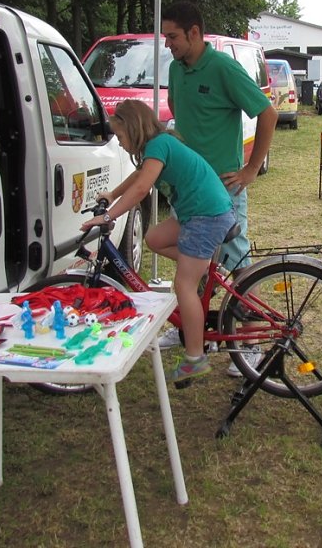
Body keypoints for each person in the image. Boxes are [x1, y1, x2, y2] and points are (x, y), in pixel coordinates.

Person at [158, 1, 278, 377]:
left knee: (237, 262)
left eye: (173, 36)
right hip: (187, 187)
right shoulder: (177, 69)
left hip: (223, 188)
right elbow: (177, 107)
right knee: (192, 258)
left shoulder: (224, 67)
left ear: (194, 32)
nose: (168, 45)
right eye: (165, 37)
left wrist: (251, 168)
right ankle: (191, 331)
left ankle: (250, 343)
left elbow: (268, 112)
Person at [81, 99, 236, 384]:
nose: (121, 143)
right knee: (154, 238)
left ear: (134, 127)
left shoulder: (158, 145)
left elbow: (141, 189)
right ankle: (204, 269)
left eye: (122, 136)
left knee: (183, 285)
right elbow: (140, 176)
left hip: (207, 215)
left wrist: (108, 217)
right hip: (198, 212)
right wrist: (112, 196)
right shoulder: (156, 146)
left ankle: (195, 359)